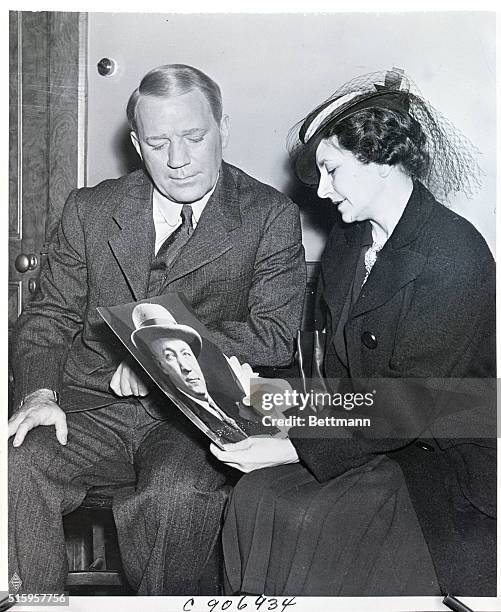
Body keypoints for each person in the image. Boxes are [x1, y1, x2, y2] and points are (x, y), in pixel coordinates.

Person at [8, 64, 306, 595]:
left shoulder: (268, 216)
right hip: (88, 406)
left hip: (191, 419)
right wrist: (37, 392)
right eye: (158, 141)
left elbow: (275, 333)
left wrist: (162, 363)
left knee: (175, 496)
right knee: (14, 465)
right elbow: (48, 315)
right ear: (136, 144)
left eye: (194, 137)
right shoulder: (89, 209)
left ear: (223, 129)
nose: (178, 160)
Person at [212, 69, 496, 596]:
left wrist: (293, 445)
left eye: (332, 171)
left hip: (439, 463)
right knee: (253, 498)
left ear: (382, 159)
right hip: (366, 438)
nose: (321, 191)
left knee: (304, 518)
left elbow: (406, 407)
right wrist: (273, 405)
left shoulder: (456, 256)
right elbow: (337, 378)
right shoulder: (349, 242)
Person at [130, 302, 260, 445]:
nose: (186, 367)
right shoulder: (183, 417)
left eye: (186, 354)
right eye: (170, 356)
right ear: (162, 367)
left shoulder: (230, 399)